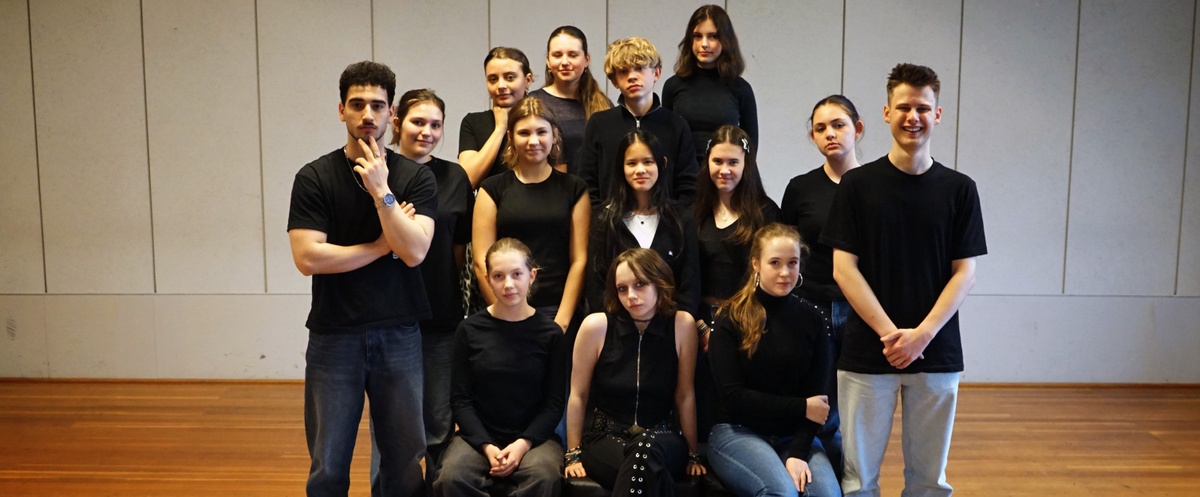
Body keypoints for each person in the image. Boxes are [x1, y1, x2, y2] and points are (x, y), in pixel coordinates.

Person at [820, 63, 987, 497]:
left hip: (936, 351)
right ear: (886, 113)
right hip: (867, 351)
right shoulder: (856, 185)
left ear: (938, 114)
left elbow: (965, 272)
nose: (913, 117)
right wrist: (892, 335)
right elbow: (843, 268)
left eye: (923, 108)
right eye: (904, 107)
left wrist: (922, 336)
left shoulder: (960, 189)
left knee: (929, 482)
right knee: (859, 482)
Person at [286, 61, 435, 497]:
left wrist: (381, 192)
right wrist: (380, 247)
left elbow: (415, 251)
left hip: (399, 333)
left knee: (403, 461)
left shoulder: (415, 177)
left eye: (377, 105)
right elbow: (308, 257)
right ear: (341, 111)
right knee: (328, 463)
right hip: (335, 335)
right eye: (357, 105)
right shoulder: (314, 177)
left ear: (392, 113)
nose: (367, 114)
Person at [367, 89, 474, 494]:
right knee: (390, 425)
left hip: (441, 316)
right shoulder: (378, 173)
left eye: (435, 125)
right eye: (417, 122)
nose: (426, 131)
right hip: (389, 316)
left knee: (438, 421)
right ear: (396, 123)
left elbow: (459, 251)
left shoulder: (455, 177)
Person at [707, 223, 839, 497]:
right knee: (780, 492)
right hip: (738, 431)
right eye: (775, 263)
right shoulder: (730, 318)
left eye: (792, 263)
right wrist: (802, 407)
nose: (785, 272)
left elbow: (818, 402)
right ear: (756, 264)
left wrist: (798, 453)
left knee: (826, 494)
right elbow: (734, 396)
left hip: (794, 436)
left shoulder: (814, 320)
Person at [564, 248, 706, 495]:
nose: (631, 296)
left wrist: (693, 453)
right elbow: (578, 394)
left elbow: (685, 395)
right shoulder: (596, 326)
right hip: (605, 437)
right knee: (645, 465)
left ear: (659, 282)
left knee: (646, 449)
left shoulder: (682, 324)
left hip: (662, 437)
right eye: (622, 288)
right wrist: (573, 454)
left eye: (640, 284)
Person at [433, 238, 566, 497]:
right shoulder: (469, 330)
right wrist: (486, 446)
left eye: (517, 274)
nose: (508, 284)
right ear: (487, 279)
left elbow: (554, 404)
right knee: (452, 477)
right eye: (498, 276)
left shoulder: (551, 334)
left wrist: (523, 444)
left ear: (531, 276)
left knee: (544, 476)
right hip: (480, 436)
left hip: (534, 438)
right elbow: (460, 401)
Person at [779, 94, 865, 481]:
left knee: (858, 406)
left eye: (838, 125)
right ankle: (828, 481)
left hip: (861, 308)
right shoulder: (800, 188)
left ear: (858, 129)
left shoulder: (875, 184)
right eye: (820, 128)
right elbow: (787, 252)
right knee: (822, 402)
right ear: (812, 137)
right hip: (811, 305)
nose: (830, 133)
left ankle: (857, 482)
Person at [690, 124, 778, 444]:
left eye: (733, 162)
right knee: (703, 403)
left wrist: (734, 327)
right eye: (717, 161)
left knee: (740, 406)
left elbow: (772, 279)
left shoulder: (766, 212)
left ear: (746, 164)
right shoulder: (694, 212)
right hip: (700, 325)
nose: (724, 170)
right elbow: (685, 277)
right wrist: (701, 326)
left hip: (748, 323)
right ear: (707, 163)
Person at [473, 96, 590, 331]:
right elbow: (480, 261)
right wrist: (504, 315)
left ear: (554, 135)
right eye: (524, 133)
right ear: (510, 137)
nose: (533, 141)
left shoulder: (574, 188)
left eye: (541, 132)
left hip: (559, 310)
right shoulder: (492, 189)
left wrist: (561, 323)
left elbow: (579, 260)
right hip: (505, 310)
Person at [586, 129, 700, 318]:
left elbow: (690, 285)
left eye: (648, 162)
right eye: (631, 163)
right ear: (621, 167)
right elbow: (596, 286)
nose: (640, 170)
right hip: (617, 328)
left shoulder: (681, 219)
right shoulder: (605, 220)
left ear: (662, 163)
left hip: (670, 327)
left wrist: (674, 324)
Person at [578, 37, 699, 209]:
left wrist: (670, 218)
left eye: (640, 68)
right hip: (610, 222)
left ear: (656, 73)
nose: (632, 76)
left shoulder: (676, 125)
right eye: (623, 72)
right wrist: (603, 218)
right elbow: (587, 184)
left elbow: (688, 186)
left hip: (666, 221)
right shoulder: (599, 124)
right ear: (614, 81)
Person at [663, 4, 758, 166]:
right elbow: (666, 139)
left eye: (712, 36)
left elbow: (750, 147)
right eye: (697, 36)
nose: (704, 44)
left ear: (726, 41)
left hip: (725, 175)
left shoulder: (741, 88)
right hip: (682, 175)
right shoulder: (673, 86)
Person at [528, 26, 612, 175]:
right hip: (549, 188)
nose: (565, 62)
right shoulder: (534, 102)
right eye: (557, 55)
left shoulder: (603, 104)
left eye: (573, 55)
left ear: (586, 59)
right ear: (548, 60)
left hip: (595, 189)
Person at [460, 47, 535, 189]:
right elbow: (468, 180)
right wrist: (500, 128)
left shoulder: (543, 122)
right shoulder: (473, 122)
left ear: (527, 80)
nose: (501, 86)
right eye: (493, 79)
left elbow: (558, 180)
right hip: (488, 201)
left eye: (510, 77)